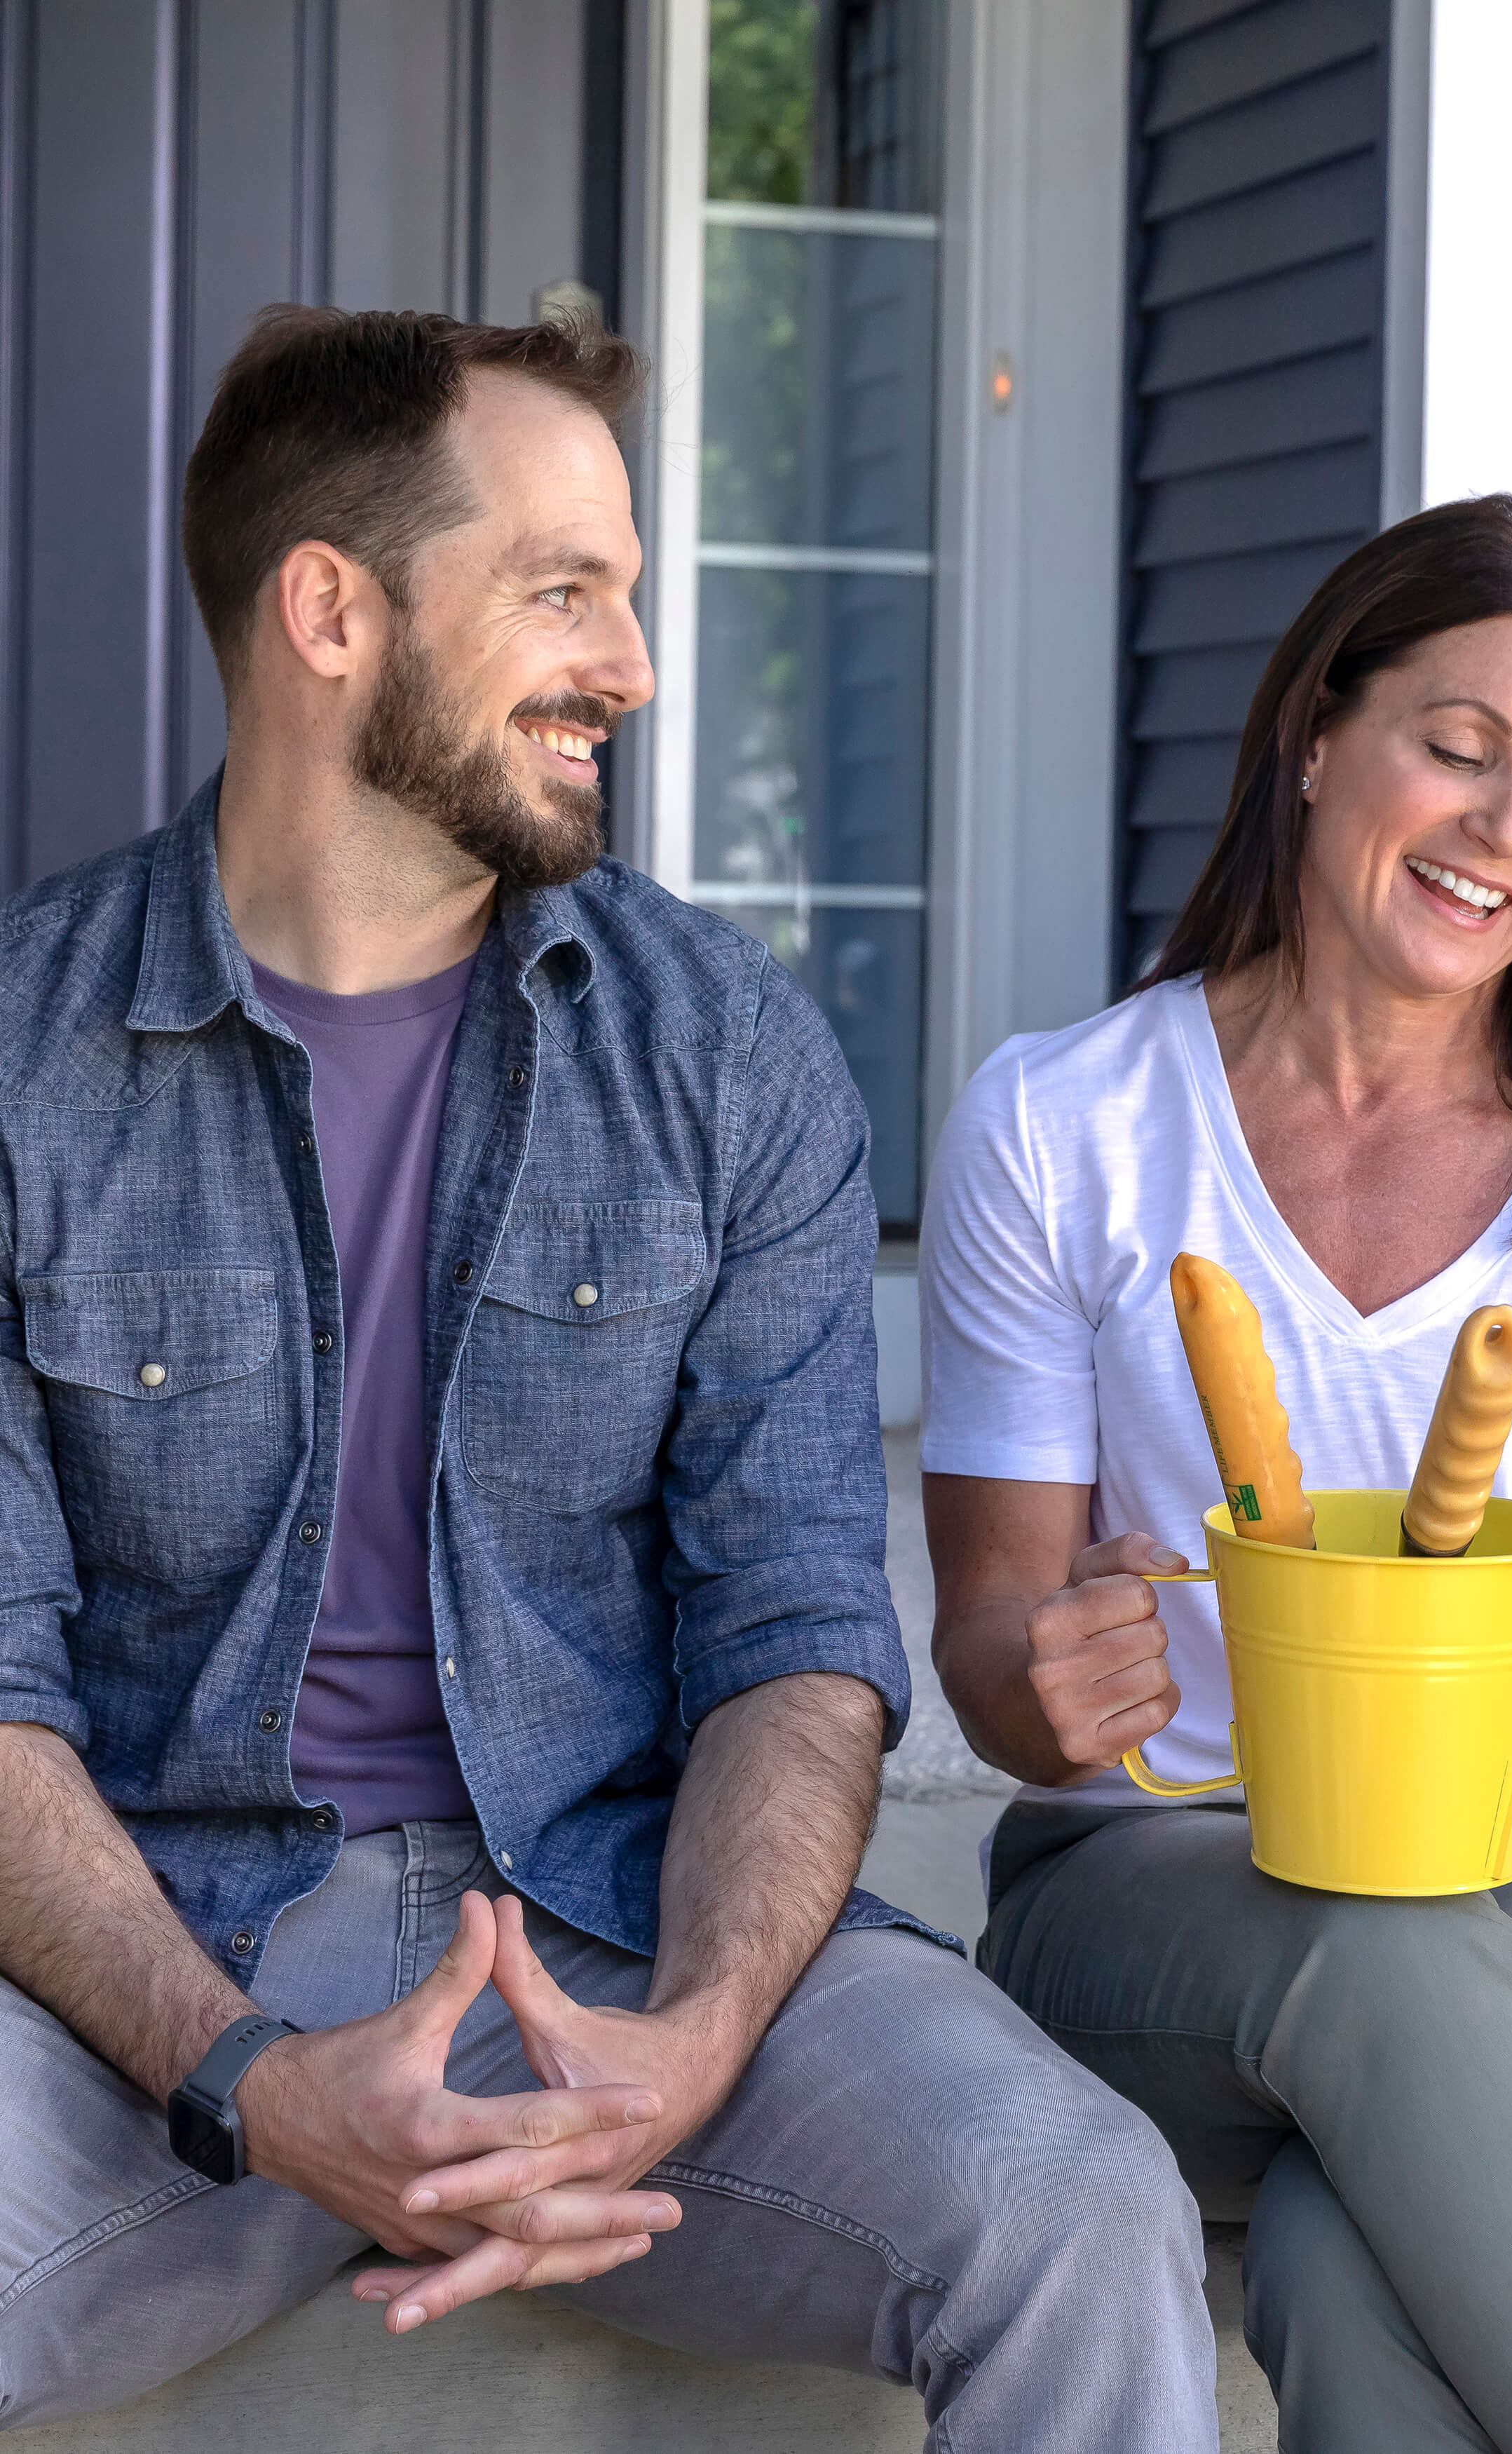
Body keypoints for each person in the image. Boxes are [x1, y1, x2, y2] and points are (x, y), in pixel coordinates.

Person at [0, 306, 1215, 2450]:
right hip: (146, 1993)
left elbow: (791, 1631)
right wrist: (248, 2078)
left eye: (626, 591)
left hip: (622, 1940)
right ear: (330, 611)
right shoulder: (20, 1057)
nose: (632, 667)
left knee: (1078, 2204)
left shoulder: (720, 1051)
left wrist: (709, 2026)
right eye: (566, 589)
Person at [922, 495, 1512, 2453]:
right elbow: (990, 1650)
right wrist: (1043, 1674)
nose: (1501, 830)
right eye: (1455, 748)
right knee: (1378, 1959)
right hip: (1160, 1881)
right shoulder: (1066, 1125)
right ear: (1313, 732)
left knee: (1352, 2245)